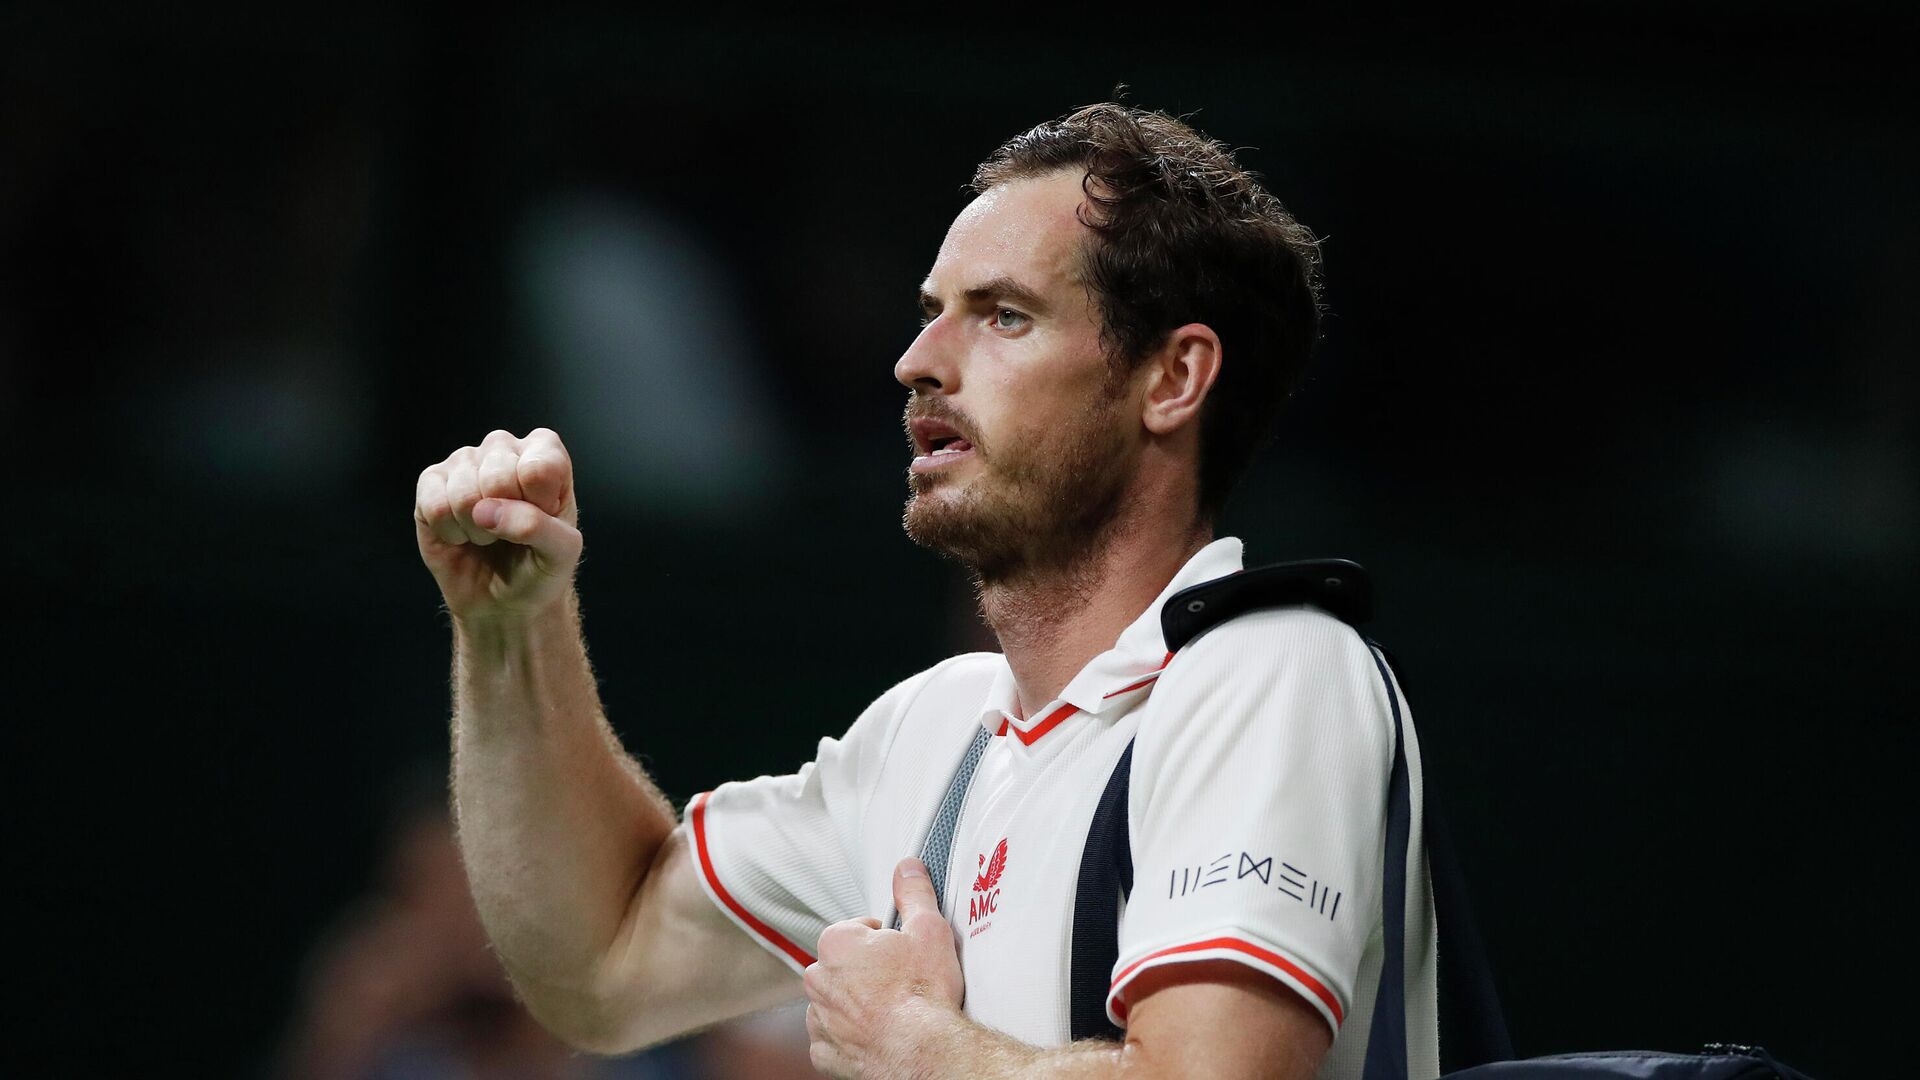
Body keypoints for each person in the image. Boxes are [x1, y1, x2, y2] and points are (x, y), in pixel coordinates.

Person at [412, 102, 1438, 1080]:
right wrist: (512, 630)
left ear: (1173, 379)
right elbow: (603, 958)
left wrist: (915, 1048)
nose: (917, 363)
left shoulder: (1271, 673)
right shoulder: (930, 733)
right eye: (928, 316)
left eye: (1003, 316)